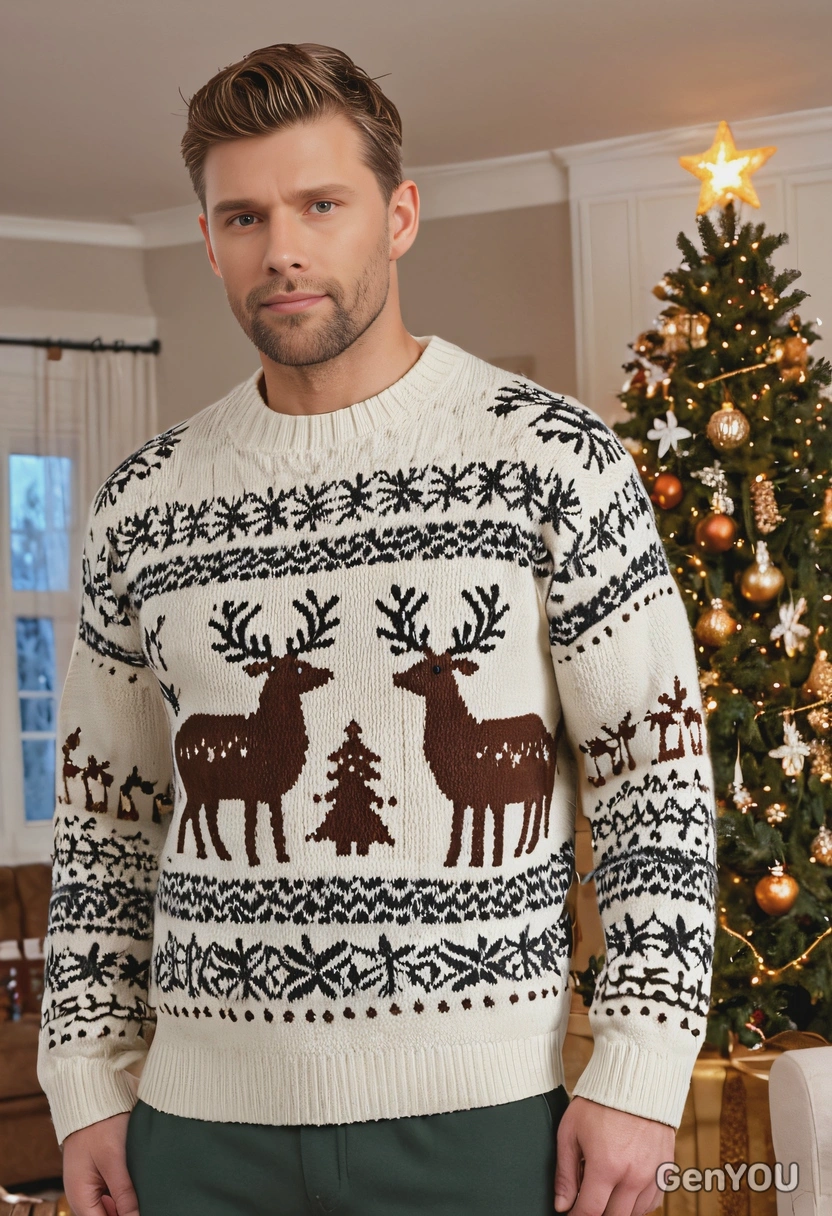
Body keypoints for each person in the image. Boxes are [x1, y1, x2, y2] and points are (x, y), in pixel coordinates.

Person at [38, 42, 717, 1216]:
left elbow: (654, 780)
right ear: (207, 239)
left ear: (398, 216)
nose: (282, 247)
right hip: (198, 1135)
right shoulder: (141, 503)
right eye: (242, 216)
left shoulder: (551, 459)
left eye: (321, 204)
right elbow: (107, 817)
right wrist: (86, 1078)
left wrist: (643, 1071)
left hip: (480, 1125)